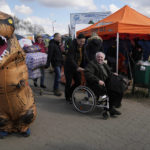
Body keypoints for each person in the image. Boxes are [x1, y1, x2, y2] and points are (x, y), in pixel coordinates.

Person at [84, 52, 123, 117]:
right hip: (95, 84)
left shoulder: (104, 64)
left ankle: (113, 105)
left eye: (101, 57)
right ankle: (110, 109)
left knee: (119, 89)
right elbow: (88, 73)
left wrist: (113, 73)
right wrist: (98, 80)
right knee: (113, 92)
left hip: (106, 82)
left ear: (103, 58)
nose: (100, 58)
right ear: (96, 57)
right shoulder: (92, 64)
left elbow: (109, 72)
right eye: (98, 57)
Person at [64, 33, 89, 103]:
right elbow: (70, 58)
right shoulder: (72, 46)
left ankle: (70, 93)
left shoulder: (83, 46)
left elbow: (86, 57)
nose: (82, 43)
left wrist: (92, 64)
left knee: (78, 82)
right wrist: (77, 67)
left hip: (77, 67)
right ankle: (67, 96)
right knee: (68, 82)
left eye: (84, 42)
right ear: (77, 40)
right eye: (81, 41)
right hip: (69, 67)